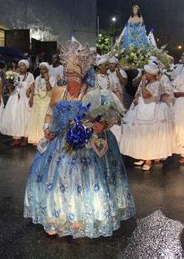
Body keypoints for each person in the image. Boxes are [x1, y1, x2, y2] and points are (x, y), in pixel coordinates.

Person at [24, 38, 135, 238]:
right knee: (58, 179)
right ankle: (55, 217)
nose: (69, 80)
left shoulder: (92, 94)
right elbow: (50, 112)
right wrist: (46, 127)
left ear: (82, 77)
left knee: (81, 179)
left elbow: (108, 116)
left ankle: (79, 218)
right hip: (59, 140)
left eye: (73, 77)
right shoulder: (58, 91)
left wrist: (103, 125)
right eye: (67, 75)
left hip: (86, 141)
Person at [120, 62, 173, 171]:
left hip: (151, 109)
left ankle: (149, 159)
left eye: (146, 73)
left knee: (149, 134)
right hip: (141, 109)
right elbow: (139, 93)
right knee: (141, 133)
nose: (145, 74)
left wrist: (143, 82)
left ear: (151, 73)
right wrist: (136, 98)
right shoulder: (146, 83)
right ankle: (142, 156)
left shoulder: (157, 84)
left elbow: (146, 95)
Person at [1, 59, 34, 146]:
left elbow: (32, 87)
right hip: (15, 98)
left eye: (23, 65)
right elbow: (11, 89)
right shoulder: (15, 76)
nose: (21, 67)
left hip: (25, 98)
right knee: (15, 118)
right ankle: (16, 138)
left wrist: (31, 98)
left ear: (26, 67)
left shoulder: (30, 75)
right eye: (20, 65)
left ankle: (25, 137)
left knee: (24, 117)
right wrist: (10, 83)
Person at [27, 62, 55, 145]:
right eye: (41, 69)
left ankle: (43, 139)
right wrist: (31, 98)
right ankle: (35, 139)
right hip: (37, 100)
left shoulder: (51, 78)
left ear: (47, 70)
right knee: (35, 119)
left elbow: (50, 90)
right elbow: (35, 90)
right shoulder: (37, 78)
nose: (42, 71)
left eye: (44, 69)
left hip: (46, 100)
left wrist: (47, 80)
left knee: (43, 119)